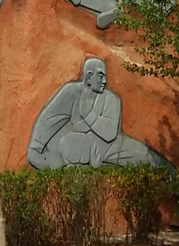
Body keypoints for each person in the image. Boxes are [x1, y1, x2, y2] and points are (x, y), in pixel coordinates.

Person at [26, 57, 166, 169]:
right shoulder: (72, 92)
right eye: (100, 76)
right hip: (83, 148)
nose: (104, 81)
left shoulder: (112, 99)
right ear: (89, 76)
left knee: (144, 158)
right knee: (70, 143)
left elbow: (110, 134)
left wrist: (89, 115)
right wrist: (35, 148)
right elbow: (50, 119)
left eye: (105, 76)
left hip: (110, 148)